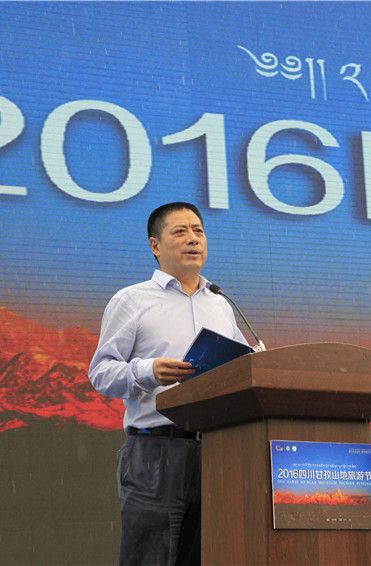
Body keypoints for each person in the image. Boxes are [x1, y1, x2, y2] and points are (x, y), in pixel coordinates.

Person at [89, 202, 247, 566]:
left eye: (199, 231)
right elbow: (101, 373)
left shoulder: (221, 304)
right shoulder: (132, 300)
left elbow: (243, 367)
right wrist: (148, 371)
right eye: (180, 232)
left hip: (218, 452)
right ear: (155, 245)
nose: (193, 239)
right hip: (155, 453)